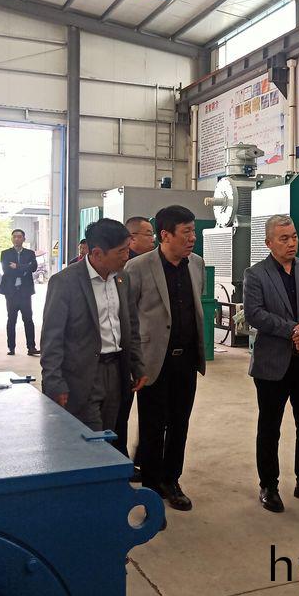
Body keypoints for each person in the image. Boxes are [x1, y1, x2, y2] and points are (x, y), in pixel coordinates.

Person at [243, 215, 299, 513]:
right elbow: (255, 314)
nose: (291, 242)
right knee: (270, 428)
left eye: (294, 236)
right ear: (269, 243)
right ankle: (269, 486)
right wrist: (295, 330)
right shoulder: (256, 274)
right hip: (273, 365)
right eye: (284, 238)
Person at [124, 205, 206, 511]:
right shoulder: (138, 267)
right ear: (165, 235)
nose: (192, 238)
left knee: (180, 423)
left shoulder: (196, 264)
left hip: (186, 360)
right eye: (186, 232)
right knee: (152, 426)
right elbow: (128, 318)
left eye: (193, 231)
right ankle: (150, 486)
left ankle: (172, 480)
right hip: (153, 360)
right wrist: (134, 362)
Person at [40, 219, 142, 438]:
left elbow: (131, 326)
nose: (127, 256)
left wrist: (137, 364)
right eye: (121, 251)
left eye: (127, 249)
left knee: (110, 435)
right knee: (90, 439)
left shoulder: (122, 278)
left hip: (116, 371)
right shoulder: (65, 282)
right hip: (83, 375)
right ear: (97, 253)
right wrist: (54, 381)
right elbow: (52, 337)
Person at [0, 229, 40, 357]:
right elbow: (7, 270)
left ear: (24, 239)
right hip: (11, 292)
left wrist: (17, 267)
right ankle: (11, 347)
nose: (17, 239)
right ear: (12, 239)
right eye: (14, 237)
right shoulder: (5, 253)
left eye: (19, 237)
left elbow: (33, 268)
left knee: (28, 319)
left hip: (25, 292)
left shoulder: (30, 253)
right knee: (11, 320)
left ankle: (31, 347)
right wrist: (24, 268)